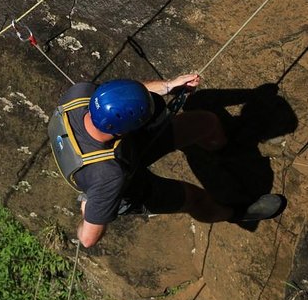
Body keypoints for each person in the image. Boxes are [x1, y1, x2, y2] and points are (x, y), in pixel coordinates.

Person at [48, 74, 286, 248]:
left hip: (126, 147)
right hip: (128, 186)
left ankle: (225, 150)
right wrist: (87, 212)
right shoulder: (107, 178)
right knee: (195, 199)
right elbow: (88, 239)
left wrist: (168, 86)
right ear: (125, 129)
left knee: (205, 122)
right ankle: (237, 212)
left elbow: (127, 91)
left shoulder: (80, 94)